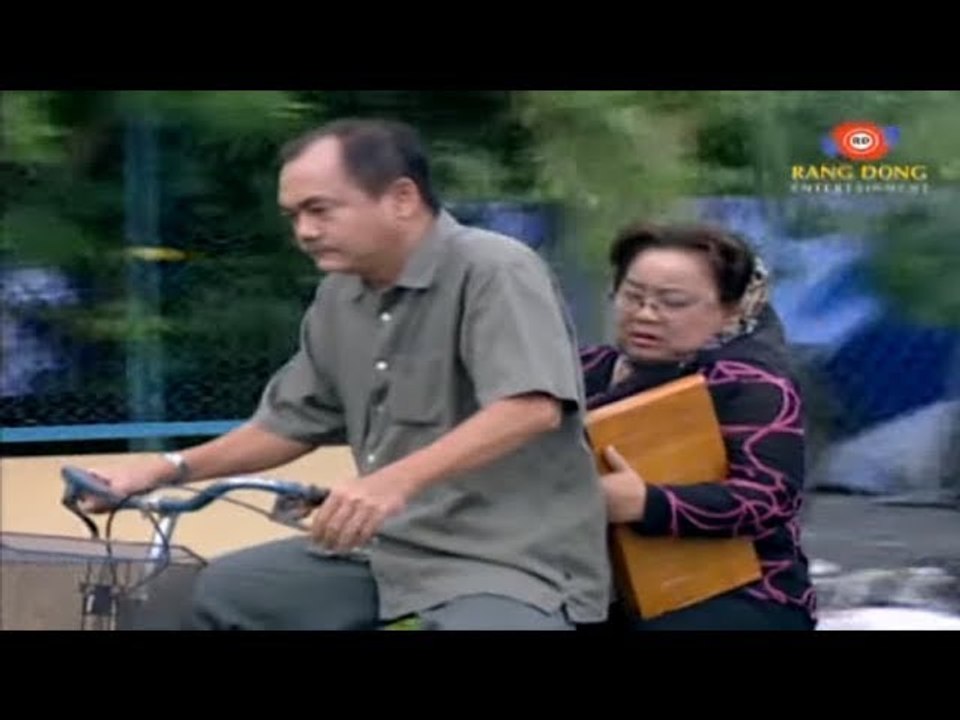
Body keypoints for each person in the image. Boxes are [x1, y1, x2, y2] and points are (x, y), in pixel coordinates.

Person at [79, 118, 610, 630]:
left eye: (320, 210)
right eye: (293, 216)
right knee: (192, 597)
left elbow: (530, 408)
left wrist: (389, 483)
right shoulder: (339, 295)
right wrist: (162, 470)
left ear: (402, 198)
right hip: (383, 551)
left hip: (508, 562)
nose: (304, 231)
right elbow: (287, 423)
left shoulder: (494, 268)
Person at [580, 221, 817, 631]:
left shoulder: (751, 385)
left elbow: (768, 498)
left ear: (728, 311)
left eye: (673, 302)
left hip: (739, 596)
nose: (646, 314)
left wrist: (647, 502)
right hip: (598, 588)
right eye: (633, 296)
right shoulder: (581, 372)